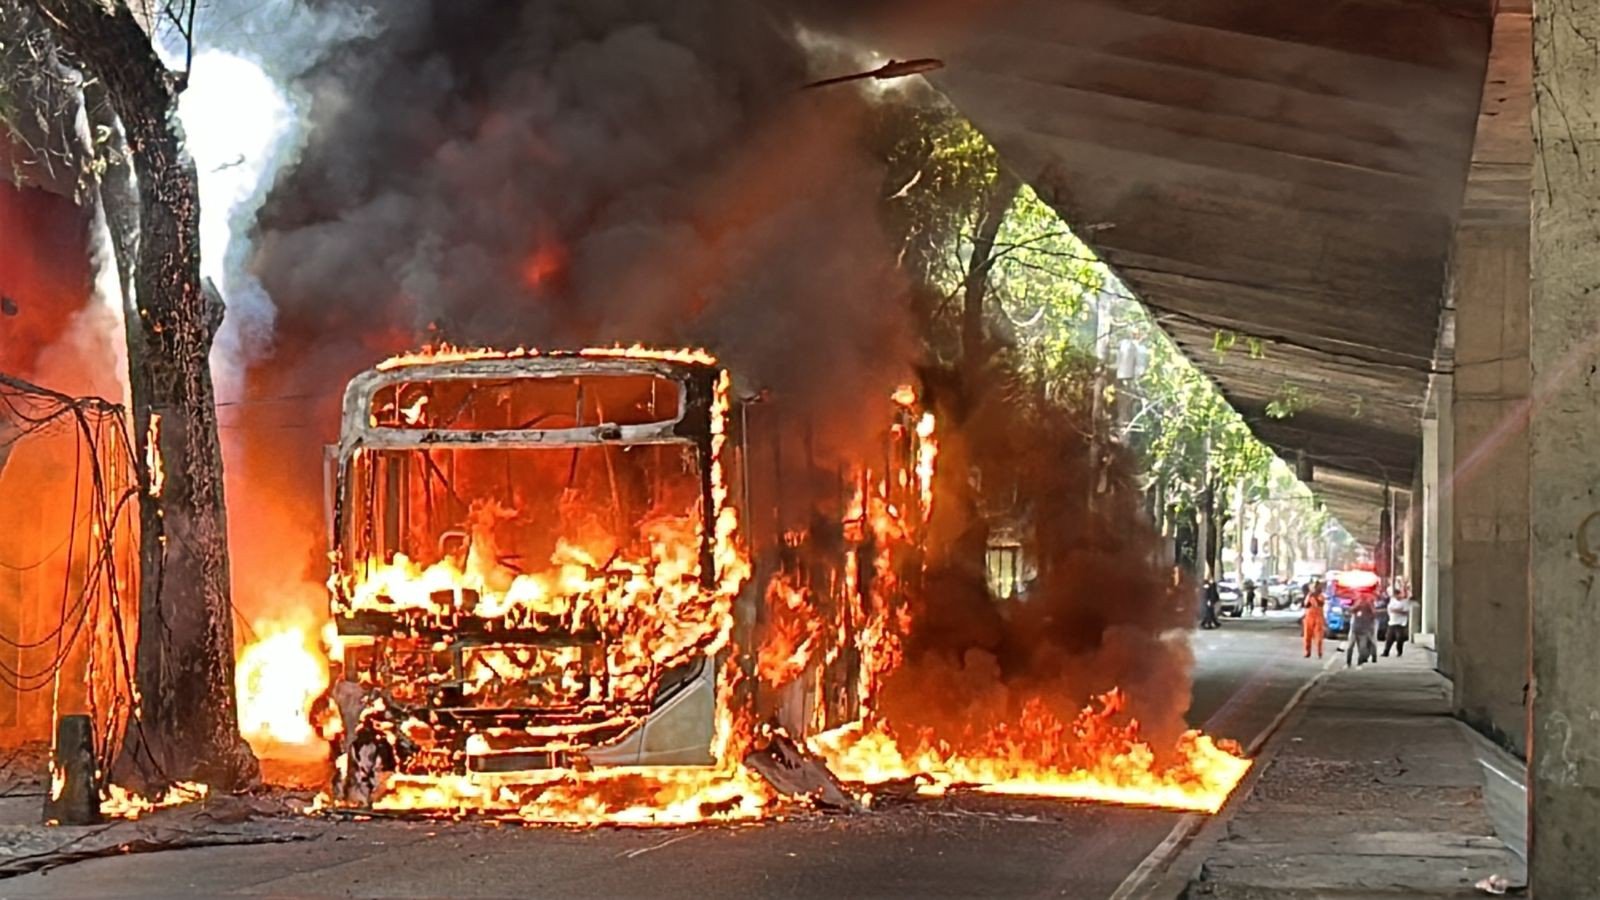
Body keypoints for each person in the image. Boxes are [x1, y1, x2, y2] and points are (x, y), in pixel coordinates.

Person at [1346, 591, 1379, 667]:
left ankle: (1360, 661)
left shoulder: (1370, 607)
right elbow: (1351, 610)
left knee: (1362, 647)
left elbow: (1374, 614)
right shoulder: (1357, 606)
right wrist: (1358, 604)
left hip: (1364, 630)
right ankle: (1348, 662)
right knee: (1350, 646)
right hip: (1355, 629)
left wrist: (1369, 604)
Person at [1302, 580, 1326, 658]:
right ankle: (1307, 652)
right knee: (1307, 637)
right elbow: (1306, 604)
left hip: (1318, 618)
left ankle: (1319, 652)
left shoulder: (1321, 596)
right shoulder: (1309, 595)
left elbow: (1320, 603)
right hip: (1309, 618)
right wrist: (1310, 595)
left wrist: (1314, 596)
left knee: (1318, 637)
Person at [1384, 590, 1412, 657]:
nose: (1397, 596)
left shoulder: (1405, 602)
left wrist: (1397, 611)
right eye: (1395, 595)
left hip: (1401, 623)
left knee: (1399, 638)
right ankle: (1386, 652)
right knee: (1389, 638)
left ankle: (1399, 652)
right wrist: (1398, 610)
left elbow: (1406, 612)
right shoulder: (1392, 601)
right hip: (1392, 622)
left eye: (1398, 595)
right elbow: (1390, 609)